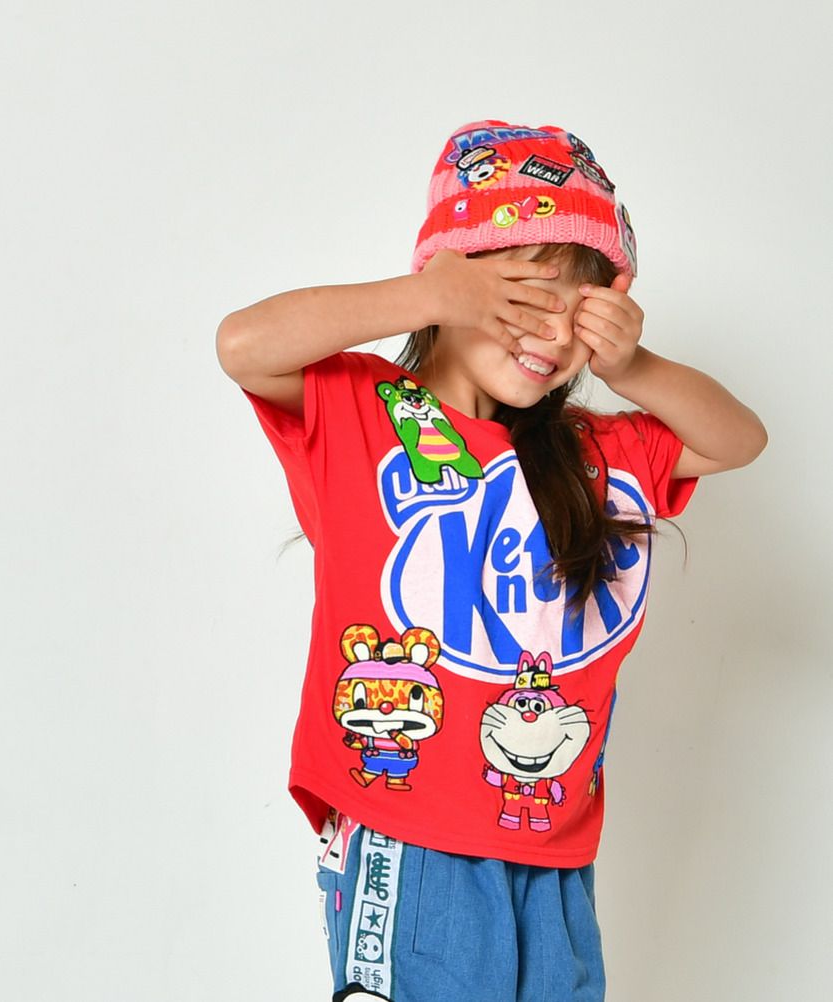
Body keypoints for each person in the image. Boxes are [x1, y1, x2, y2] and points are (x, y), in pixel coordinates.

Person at [215, 119, 766, 1002]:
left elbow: (739, 439)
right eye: (527, 298)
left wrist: (635, 364)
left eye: (581, 313)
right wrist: (424, 295)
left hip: (553, 845)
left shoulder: (593, 453)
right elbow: (243, 345)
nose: (553, 333)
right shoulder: (366, 413)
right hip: (407, 832)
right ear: (455, 281)